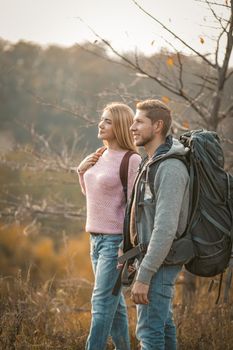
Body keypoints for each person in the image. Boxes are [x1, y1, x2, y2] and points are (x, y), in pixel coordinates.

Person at [121, 99, 189, 350]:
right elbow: (140, 217)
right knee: (163, 327)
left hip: (160, 262)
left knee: (149, 333)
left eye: (139, 121)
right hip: (151, 259)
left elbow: (165, 228)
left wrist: (145, 274)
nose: (132, 127)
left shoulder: (170, 168)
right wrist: (126, 250)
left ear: (158, 125)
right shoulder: (150, 163)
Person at [77, 102, 141, 350]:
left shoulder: (132, 159)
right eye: (101, 119)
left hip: (115, 242)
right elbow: (95, 197)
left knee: (102, 303)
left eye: (107, 121)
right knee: (115, 307)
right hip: (94, 238)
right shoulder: (100, 154)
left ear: (121, 126)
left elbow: (136, 208)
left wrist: (127, 247)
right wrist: (81, 171)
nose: (101, 124)